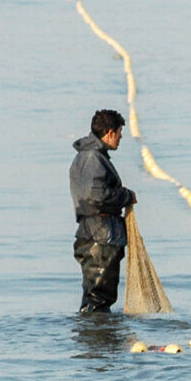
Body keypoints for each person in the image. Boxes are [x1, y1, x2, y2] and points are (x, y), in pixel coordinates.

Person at [70, 109, 137, 313]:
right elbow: (97, 197)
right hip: (100, 237)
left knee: (96, 297)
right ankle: (99, 341)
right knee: (98, 300)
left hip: (93, 235)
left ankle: (98, 340)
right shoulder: (93, 159)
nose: (121, 137)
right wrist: (126, 196)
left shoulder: (88, 157)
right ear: (109, 133)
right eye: (119, 132)